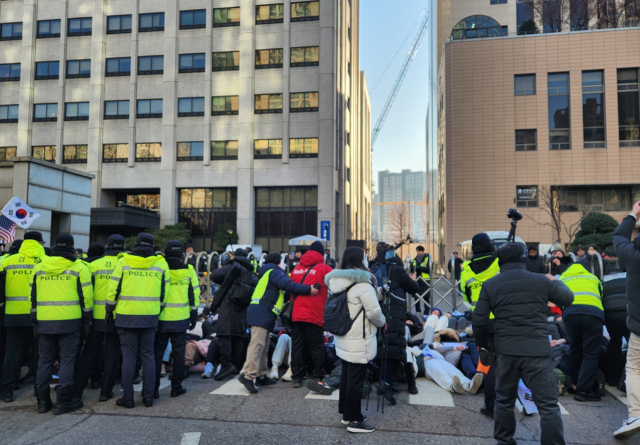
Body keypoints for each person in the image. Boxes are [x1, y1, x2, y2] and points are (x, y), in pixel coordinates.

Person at [474, 243, 573, 445]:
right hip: (537, 350)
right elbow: (568, 298)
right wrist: (554, 280)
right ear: (522, 259)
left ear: (499, 261)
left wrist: (484, 345)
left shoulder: (490, 284)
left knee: (504, 401)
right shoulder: (540, 281)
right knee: (548, 405)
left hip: (506, 350)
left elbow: (479, 320)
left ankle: (504, 441)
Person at [106, 232, 170, 408]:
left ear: (135, 244)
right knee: (148, 355)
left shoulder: (123, 262)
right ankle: (148, 396)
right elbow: (165, 294)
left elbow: (113, 289)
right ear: (153, 246)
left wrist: (109, 310)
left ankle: (127, 398)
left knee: (129, 357)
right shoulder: (160, 264)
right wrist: (157, 310)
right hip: (149, 315)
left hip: (126, 315)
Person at [31, 234, 93, 414]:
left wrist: (34, 319)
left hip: (44, 321)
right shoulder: (79, 267)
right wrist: (87, 319)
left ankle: (42, 402)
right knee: (67, 359)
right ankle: (63, 401)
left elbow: (32, 297)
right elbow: (86, 297)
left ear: (55, 246)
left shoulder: (39, 267)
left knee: (45, 360)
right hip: (70, 321)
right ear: (73, 247)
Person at [326, 247, 385, 434]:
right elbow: (374, 312)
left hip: (343, 337)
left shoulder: (337, 281)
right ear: (360, 260)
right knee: (356, 380)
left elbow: (355, 302)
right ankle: (355, 421)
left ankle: (346, 414)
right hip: (359, 339)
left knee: (346, 376)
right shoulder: (363, 284)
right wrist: (382, 322)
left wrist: (379, 293)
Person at [239, 253, 316, 393]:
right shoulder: (274, 272)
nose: (285, 265)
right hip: (261, 312)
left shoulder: (268, 273)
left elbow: (282, 292)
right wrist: (307, 289)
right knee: (257, 344)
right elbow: (288, 285)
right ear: (278, 262)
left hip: (265, 313)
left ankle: (261, 375)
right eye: (283, 262)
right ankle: (248, 376)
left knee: (264, 345)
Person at [73, 234, 126, 403]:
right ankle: (105, 392)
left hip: (96, 316)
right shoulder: (125, 264)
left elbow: (86, 291)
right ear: (123, 247)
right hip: (116, 315)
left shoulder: (92, 265)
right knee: (112, 354)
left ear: (106, 245)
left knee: (88, 353)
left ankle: (77, 392)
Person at [0, 232, 45, 403]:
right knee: (40, 351)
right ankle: (38, 388)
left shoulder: (8, 260)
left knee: (12, 350)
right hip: (38, 313)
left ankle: (7, 389)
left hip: (12, 313)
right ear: (40, 242)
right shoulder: (44, 260)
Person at [459, 233, 500, 418]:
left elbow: (466, 297)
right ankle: (509, 403)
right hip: (502, 320)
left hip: (480, 322)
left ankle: (490, 406)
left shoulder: (466, 270)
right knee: (507, 363)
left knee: (489, 363)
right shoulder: (499, 263)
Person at [153, 240, 199, 399]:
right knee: (179, 354)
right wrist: (194, 315)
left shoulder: (160, 267)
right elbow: (194, 294)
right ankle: (176, 387)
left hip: (161, 318)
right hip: (181, 318)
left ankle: (153, 389)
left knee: (157, 353)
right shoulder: (189, 270)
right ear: (181, 253)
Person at [375, 247, 419, 405]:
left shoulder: (375, 269)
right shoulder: (398, 270)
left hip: (378, 312)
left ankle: (384, 381)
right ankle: (386, 382)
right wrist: (412, 279)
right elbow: (414, 288)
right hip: (394, 312)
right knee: (394, 344)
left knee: (382, 344)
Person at [290, 241, 334, 394]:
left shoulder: (296, 269)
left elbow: (291, 289)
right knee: (317, 346)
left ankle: (297, 377)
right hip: (314, 314)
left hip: (296, 313)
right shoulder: (324, 268)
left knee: (297, 345)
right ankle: (318, 376)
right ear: (322, 254)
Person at [558, 254, 604, 401]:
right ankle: (584, 391)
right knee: (590, 353)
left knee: (575, 348)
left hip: (570, 314)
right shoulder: (592, 278)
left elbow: (557, 298)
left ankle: (574, 383)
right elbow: (601, 294)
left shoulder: (563, 278)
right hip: (593, 314)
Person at [612, 202, 640, 439]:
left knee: (634, 368)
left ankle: (636, 413)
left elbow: (619, 235)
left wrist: (633, 213)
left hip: (639, 328)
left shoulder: (632, 255)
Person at [209, 248, 255, 380]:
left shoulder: (232, 266)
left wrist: (226, 276)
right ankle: (236, 365)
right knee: (238, 336)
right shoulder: (249, 270)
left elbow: (214, 275)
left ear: (234, 256)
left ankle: (226, 365)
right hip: (242, 306)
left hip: (228, 305)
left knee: (224, 335)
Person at [602, 265, 628, 388]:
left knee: (614, 344)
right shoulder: (628, 277)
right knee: (633, 345)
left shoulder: (603, 280)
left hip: (610, 314)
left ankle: (613, 379)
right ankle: (626, 380)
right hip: (627, 312)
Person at [411, 246, 430, 315]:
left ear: (422, 251)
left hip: (425, 281)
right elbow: (411, 269)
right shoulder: (414, 260)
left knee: (426, 297)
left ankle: (426, 313)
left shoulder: (428, 258)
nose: (418, 252)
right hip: (417, 281)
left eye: (419, 251)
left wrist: (419, 268)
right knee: (416, 297)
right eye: (417, 251)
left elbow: (429, 269)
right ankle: (418, 312)